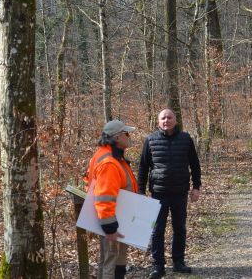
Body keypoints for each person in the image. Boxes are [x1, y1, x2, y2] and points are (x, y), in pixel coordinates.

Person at [137, 109, 202, 279]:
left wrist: (196, 187)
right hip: (158, 193)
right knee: (157, 230)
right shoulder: (150, 140)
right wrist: (140, 190)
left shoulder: (186, 139)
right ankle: (158, 266)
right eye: (163, 118)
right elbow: (143, 167)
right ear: (158, 121)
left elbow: (195, 164)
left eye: (169, 117)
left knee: (179, 229)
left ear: (175, 120)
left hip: (180, 192)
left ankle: (179, 263)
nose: (166, 120)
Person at [84, 120, 138, 279]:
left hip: (116, 218)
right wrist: (110, 229)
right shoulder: (109, 162)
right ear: (117, 138)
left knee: (113, 260)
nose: (129, 136)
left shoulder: (109, 155)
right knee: (111, 263)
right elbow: (104, 197)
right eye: (126, 133)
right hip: (111, 221)